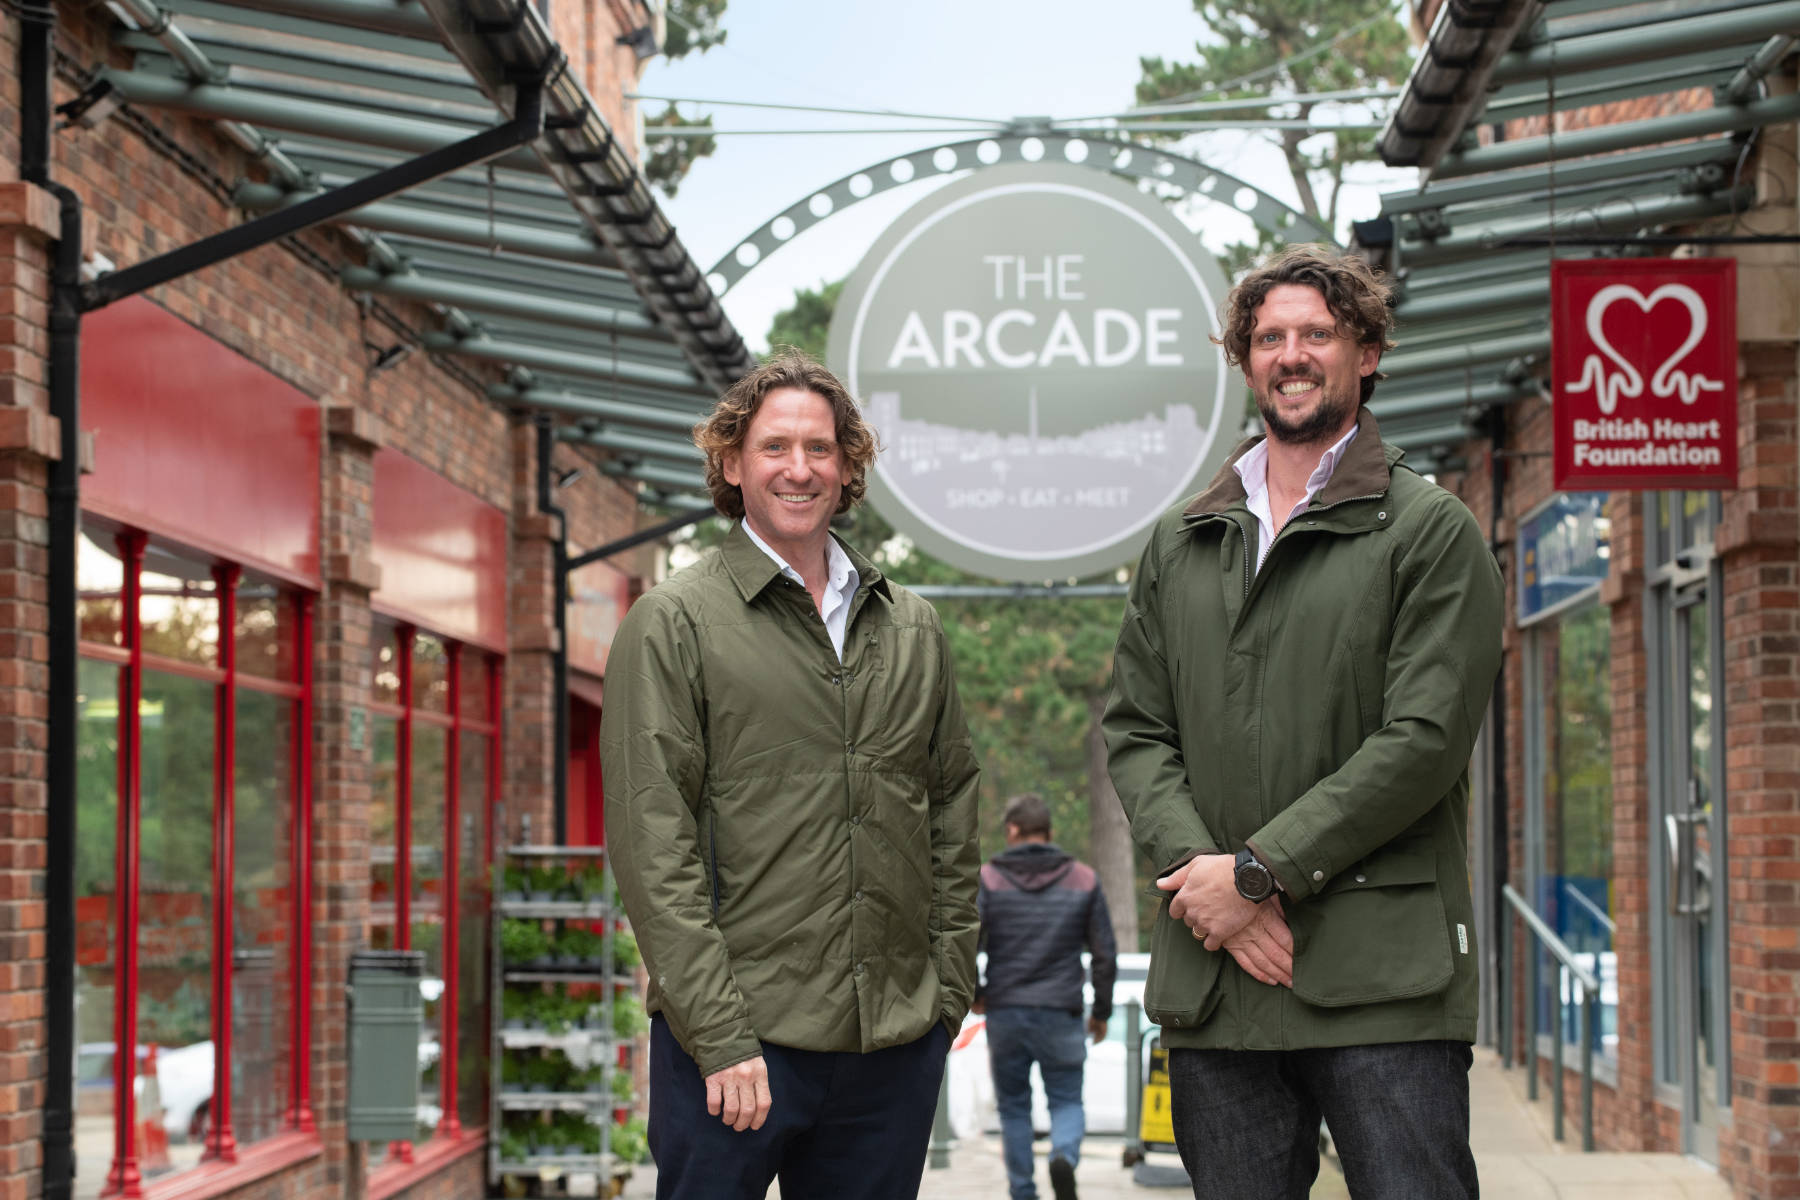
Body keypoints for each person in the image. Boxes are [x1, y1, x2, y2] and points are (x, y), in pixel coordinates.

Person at [1103, 244, 1503, 1199]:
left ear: (1365, 353)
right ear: (1246, 360)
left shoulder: (1427, 530)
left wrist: (1258, 873)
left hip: (1383, 988)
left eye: (1317, 334)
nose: (1292, 355)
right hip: (1220, 986)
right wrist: (1212, 890)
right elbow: (1136, 729)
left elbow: (1425, 742)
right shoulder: (1182, 541)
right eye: (1270, 337)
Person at [599, 351, 981, 1200]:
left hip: (890, 1050)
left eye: (820, 448)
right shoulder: (673, 623)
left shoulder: (912, 628)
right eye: (775, 448)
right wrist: (722, 1033)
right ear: (732, 464)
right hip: (736, 1046)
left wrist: (946, 991)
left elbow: (951, 806)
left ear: (848, 467)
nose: (798, 469)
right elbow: (650, 840)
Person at [975, 793, 1118, 1200]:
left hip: (1006, 1012)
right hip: (1063, 1010)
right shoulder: (1084, 879)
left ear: (1011, 831)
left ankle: (1023, 1192)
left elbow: (966, 942)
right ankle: (1063, 1157)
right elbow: (1104, 954)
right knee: (1067, 1101)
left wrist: (975, 994)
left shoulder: (988, 879)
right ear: (1050, 833)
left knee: (1014, 1107)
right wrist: (1101, 1012)